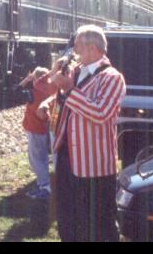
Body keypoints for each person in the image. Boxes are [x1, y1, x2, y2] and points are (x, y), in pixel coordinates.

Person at [39, 24, 125, 242]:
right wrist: (53, 95)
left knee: (100, 223)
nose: (74, 53)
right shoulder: (75, 72)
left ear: (93, 48)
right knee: (68, 218)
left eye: (77, 47)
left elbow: (100, 113)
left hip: (94, 164)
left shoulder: (112, 77)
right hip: (68, 159)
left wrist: (68, 89)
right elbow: (61, 98)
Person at [18, 66, 57, 199]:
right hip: (42, 128)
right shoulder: (49, 92)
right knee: (42, 157)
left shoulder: (34, 92)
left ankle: (45, 187)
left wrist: (26, 80)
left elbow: (16, 91)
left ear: (36, 78)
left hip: (34, 128)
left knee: (37, 158)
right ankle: (43, 183)